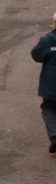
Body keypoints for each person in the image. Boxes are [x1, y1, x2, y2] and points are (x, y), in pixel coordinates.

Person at [32, 13, 56, 153]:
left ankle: (54, 135)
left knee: (49, 109)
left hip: (51, 86)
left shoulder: (47, 40)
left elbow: (36, 55)